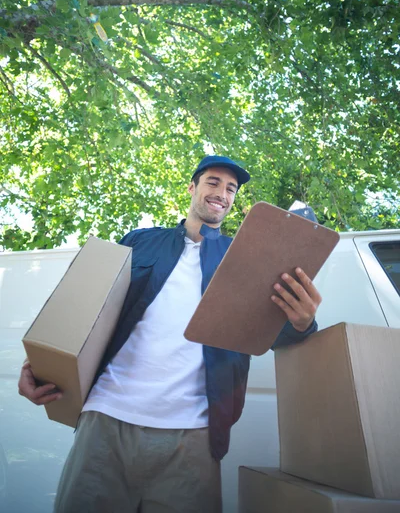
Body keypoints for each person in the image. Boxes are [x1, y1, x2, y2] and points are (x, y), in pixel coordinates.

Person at [18, 155, 321, 513]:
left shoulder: (245, 260)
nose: (222, 193)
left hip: (193, 436)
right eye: (213, 182)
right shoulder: (141, 241)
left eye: (231, 189)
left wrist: (304, 323)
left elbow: (277, 335)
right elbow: (89, 308)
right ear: (192, 188)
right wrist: (41, 363)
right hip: (106, 419)